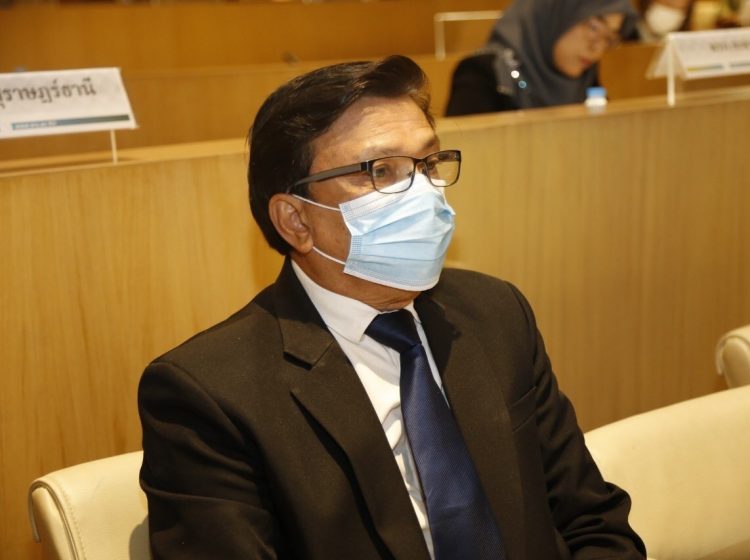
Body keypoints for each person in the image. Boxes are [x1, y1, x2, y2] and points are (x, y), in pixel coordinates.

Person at [138, 54, 645, 559]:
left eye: (428, 164)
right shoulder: (208, 394)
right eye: (380, 171)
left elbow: (592, 522)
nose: (423, 193)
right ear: (295, 220)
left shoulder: (495, 312)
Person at [445, 0, 637, 116]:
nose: (598, 49)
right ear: (554, 15)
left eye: (610, 38)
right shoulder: (481, 74)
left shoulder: (586, 77)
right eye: (594, 28)